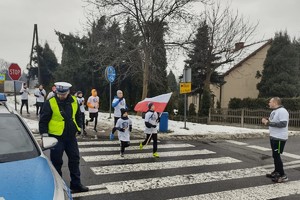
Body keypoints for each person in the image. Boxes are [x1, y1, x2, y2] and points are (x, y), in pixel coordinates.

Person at [39, 82, 89, 193]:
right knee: (57, 162)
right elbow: (43, 120)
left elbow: (78, 115)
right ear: (56, 91)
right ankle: (59, 186)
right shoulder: (50, 102)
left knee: (75, 159)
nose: (61, 96)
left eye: (63, 94)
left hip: (71, 137)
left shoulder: (74, 101)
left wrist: (79, 127)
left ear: (68, 92)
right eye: (59, 93)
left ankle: (76, 184)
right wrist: (45, 134)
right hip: (56, 137)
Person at [262, 97, 289, 183]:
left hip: (279, 138)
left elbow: (283, 124)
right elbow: (272, 121)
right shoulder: (274, 111)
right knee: (275, 155)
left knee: (277, 156)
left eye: (270, 102)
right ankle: (276, 172)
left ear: (275, 102)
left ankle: (283, 175)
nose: (268, 103)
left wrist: (268, 123)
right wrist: (267, 120)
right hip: (273, 136)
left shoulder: (283, 111)